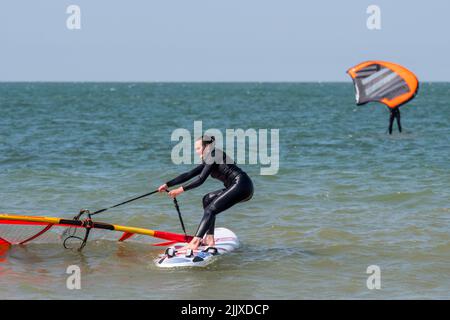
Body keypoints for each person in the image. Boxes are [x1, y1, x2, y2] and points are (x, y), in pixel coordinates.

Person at [158, 135, 254, 250]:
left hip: (241, 185)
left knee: (210, 210)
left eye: (199, 148)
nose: (197, 152)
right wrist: (168, 184)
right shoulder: (209, 158)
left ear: (207, 146)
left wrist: (179, 190)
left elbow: (200, 179)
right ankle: (209, 238)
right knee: (207, 199)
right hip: (239, 186)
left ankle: (195, 242)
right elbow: (190, 174)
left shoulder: (214, 154)